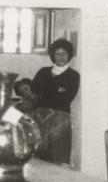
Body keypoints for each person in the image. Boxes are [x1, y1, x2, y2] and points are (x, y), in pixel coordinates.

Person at [31, 38, 81, 166]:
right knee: (38, 159)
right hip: (39, 119)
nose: (61, 57)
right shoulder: (43, 71)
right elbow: (34, 88)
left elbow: (67, 97)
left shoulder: (73, 75)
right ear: (53, 56)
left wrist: (46, 88)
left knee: (58, 160)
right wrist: (57, 89)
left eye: (64, 54)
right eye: (58, 54)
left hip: (60, 120)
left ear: (69, 55)